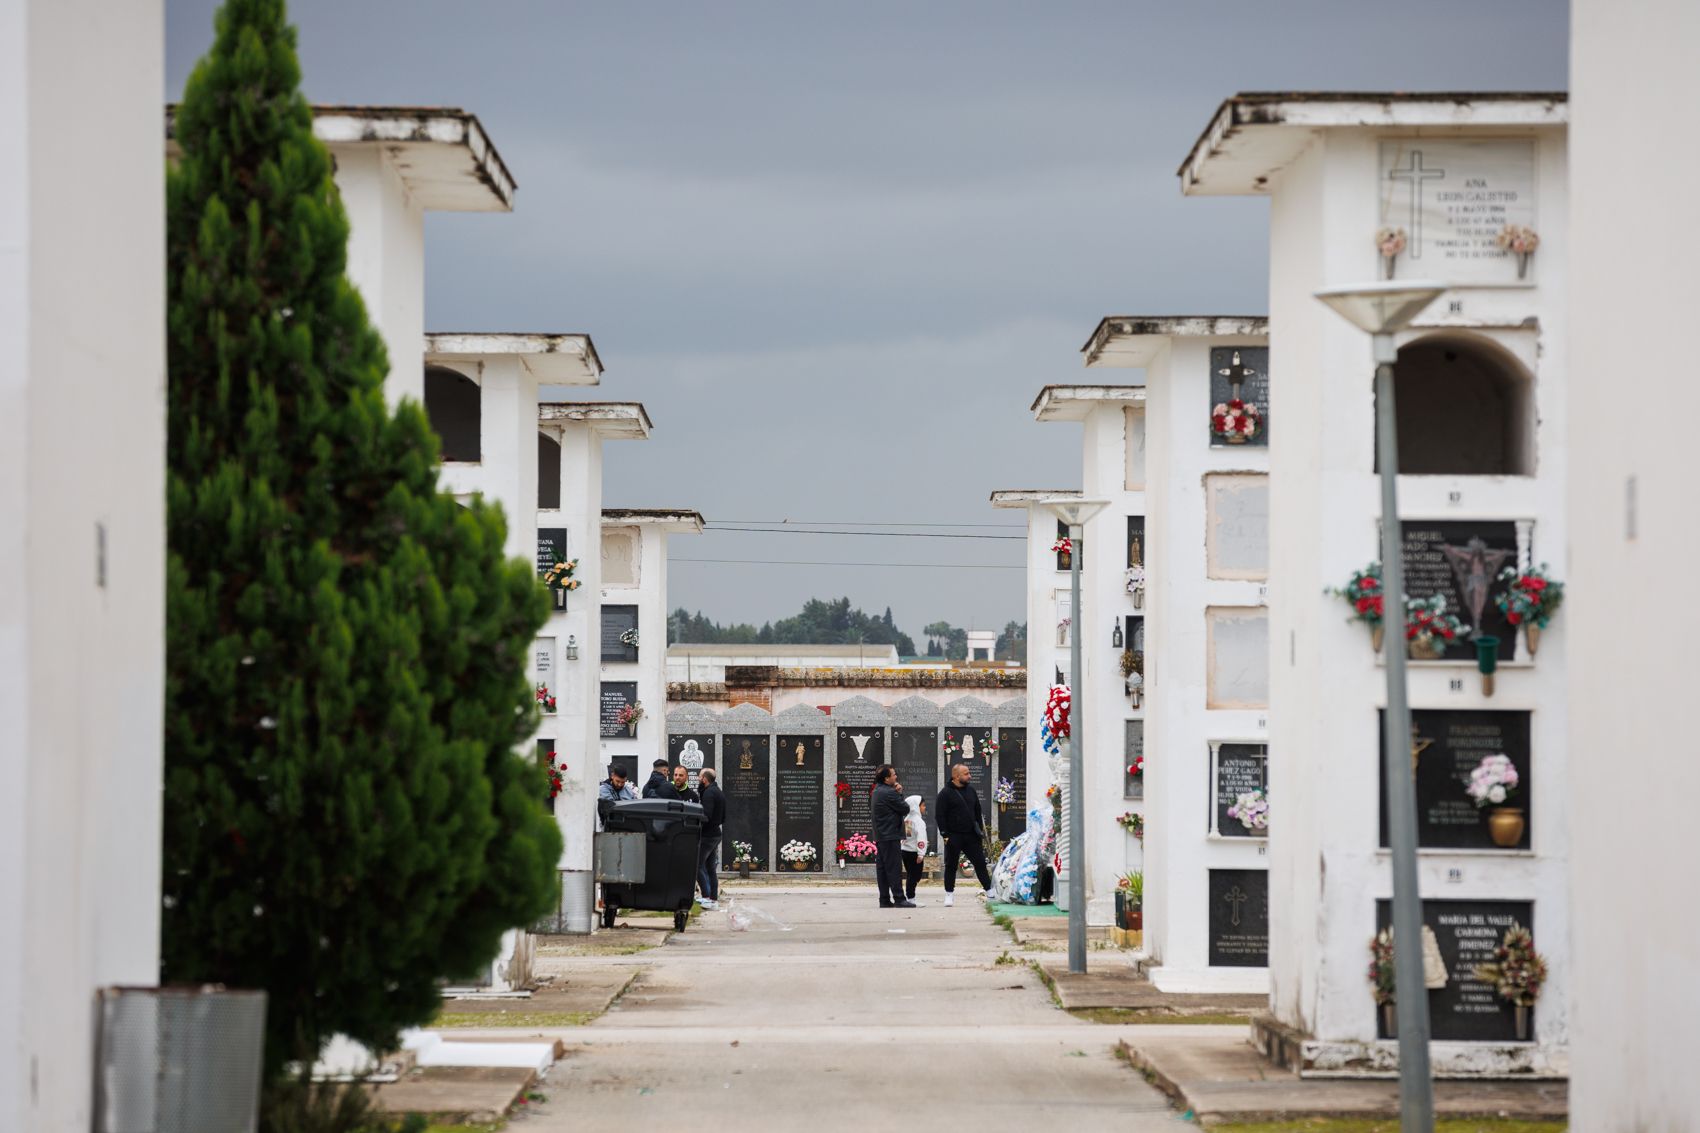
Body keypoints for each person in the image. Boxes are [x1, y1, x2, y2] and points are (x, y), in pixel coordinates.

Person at [936, 763, 992, 907]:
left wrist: (979, 830)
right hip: (954, 836)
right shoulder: (945, 793)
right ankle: (949, 894)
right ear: (956, 776)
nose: (969, 776)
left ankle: (990, 891)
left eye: (969, 773)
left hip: (971, 836)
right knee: (951, 866)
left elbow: (977, 811)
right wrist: (945, 834)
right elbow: (940, 815)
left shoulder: (971, 790)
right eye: (966, 774)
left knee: (980, 863)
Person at [871, 765, 915, 909]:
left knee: (883, 869)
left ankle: (884, 899)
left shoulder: (877, 790)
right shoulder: (889, 792)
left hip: (881, 835)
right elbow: (904, 808)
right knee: (894, 868)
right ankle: (899, 898)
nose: (896, 777)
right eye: (894, 775)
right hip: (890, 835)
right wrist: (900, 792)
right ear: (886, 778)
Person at [696, 768, 725, 909]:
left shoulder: (708, 793)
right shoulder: (719, 792)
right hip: (716, 834)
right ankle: (713, 899)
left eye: (699, 777)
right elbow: (723, 817)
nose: (697, 779)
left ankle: (706, 897)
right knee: (710, 868)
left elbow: (705, 816)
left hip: (707, 836)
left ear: (704, 779)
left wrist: (695, 820)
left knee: (697, 865)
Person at [899, 794, 929, 904]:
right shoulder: (918, 821)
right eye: (923, 805)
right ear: (916, 806)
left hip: (905, 851)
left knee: (911, 875)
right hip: (914, 853)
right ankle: (911, 898)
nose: (924, 808)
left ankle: (910, 896)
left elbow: (905, 836)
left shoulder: (907, 818)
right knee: (914, 876)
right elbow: (921, 838)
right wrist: (921, 854)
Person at [596, 764, 636, 831]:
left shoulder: (629, 791)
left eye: (623, 782)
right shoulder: (602, 789)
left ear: (626, 779)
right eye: (617, 781)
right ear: (612, 776)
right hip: (610, 829)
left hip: (627, 828)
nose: (619, 784)